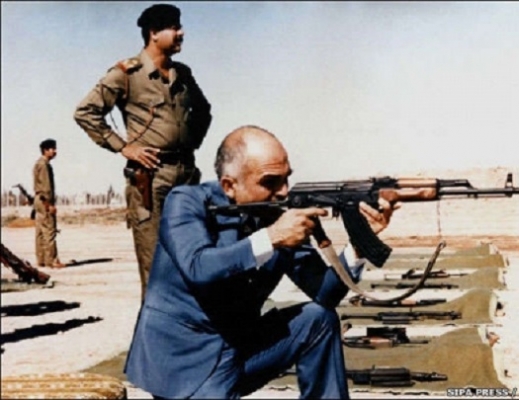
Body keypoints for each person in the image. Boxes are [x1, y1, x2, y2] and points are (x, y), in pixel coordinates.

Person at [124, 125, 400, 399]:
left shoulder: (277, 216)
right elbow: (198, 267)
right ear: (229, 185)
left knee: (318, 319)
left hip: (240, 349)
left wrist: (359, 244)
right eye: (270, 182)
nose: (283, 192)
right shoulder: (186, 202)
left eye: (286, 179)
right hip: (186, 364)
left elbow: (324, 294)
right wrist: (272, 237)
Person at [73, 4, 212, 299]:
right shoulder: (127, 74)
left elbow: (203, 111)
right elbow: (86, 112)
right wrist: (124, 148)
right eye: (174, 27)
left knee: (193, 256)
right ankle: (155, 325)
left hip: (187, 175)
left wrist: (188, 143)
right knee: (155, 265)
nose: (181, 33)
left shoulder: (182, 74)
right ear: (153, 33)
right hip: (151, 178)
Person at [33, 139, 65, 269]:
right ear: (46, 150)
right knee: (49, 230)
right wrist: (49, 204)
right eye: (53, 149)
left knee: (40, 231)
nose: (55, 151)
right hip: (44, 200)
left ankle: (41, 259)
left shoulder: (38, 163)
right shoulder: (44, 165)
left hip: (38, 199)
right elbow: (45, 187)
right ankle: (52, 260)